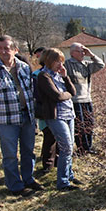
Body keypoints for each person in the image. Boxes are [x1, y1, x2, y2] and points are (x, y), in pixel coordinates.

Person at [0, 35, 40, 196]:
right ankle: (15, 185)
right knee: (10, 155)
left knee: (28, 151)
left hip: (27, 116)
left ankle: (29, 179)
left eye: (7, 48)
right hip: (6, 119)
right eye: (0, 48)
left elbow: (31, 90)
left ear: (15, 50)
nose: (3, 51)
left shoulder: (24, 67)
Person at [35, 48, 78, 190]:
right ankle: (63, 182)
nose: (60, 65)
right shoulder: (44, 76)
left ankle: (69, 175)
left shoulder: (59, 75)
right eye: (57, 62)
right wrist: (66, 94)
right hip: (56, 116)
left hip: (69, 114)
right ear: (49, 61)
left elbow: (72, 92)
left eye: (61, 61)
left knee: (70, 147)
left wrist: (66, 77)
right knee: (66, 147)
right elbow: (57, 96)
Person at [64, 42, 105, 154]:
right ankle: (82, 149)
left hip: (87, 99)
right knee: (79, 126)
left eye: (83, 51)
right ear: (72, 53)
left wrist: (91, 54)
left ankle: (89, 147)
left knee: (89, 123)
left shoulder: (87, 64)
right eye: (80, 51)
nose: (82, 53)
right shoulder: (67, 64)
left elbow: (101, 65)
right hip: (74, 100)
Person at [32, 47, 56, 171]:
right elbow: (37, 95)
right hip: (46, 111)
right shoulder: (37, 75)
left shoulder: (59, 74)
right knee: (49, 137)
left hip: (59, 111)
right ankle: (48, 164)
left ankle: (56, 161)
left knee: (58, 138)